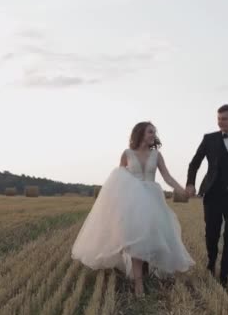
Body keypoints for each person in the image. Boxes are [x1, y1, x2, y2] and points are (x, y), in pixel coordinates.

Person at [71, 122, 195, 297]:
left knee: (154, 237)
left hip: (153, 199)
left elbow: (167, 177)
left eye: (154, 132)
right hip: (133, 202)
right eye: (150, 131)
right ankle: (138, 283)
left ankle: (147, 270)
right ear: (141, 133)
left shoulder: (157, 155)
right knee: (137, 241)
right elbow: (119, 179)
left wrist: (182, 191)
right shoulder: (127, 154)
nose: (153, 134)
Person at [186, 104, 228, 288]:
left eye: (224, 119)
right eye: (218, 118)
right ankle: (211, 262)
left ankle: (225, 273)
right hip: (213, 193)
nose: (220, 122)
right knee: (212, 234)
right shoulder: (209, 139)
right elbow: (194, 163)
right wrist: (190, 183)